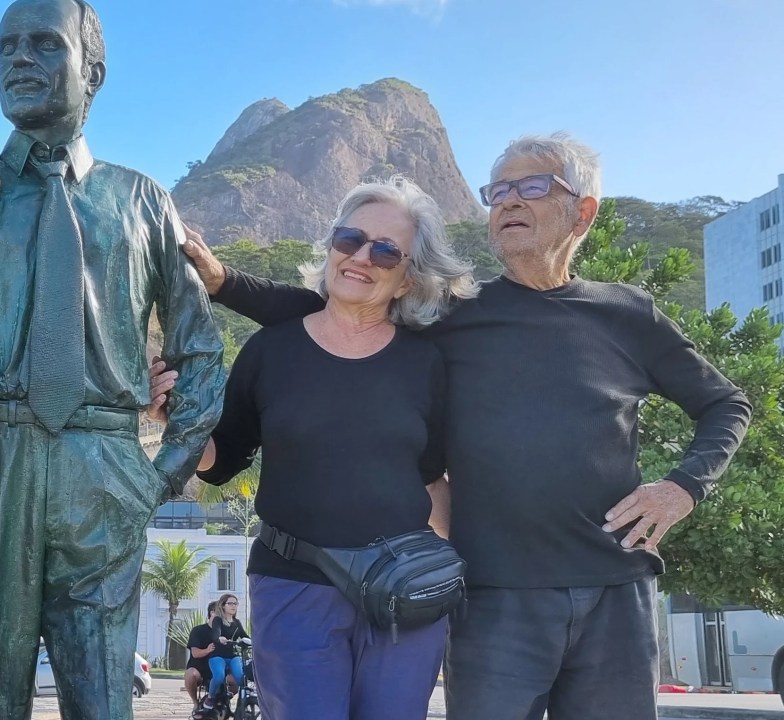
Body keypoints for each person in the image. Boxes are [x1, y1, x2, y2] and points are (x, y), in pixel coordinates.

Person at [178, 133, 752, 720]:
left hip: (615, 588)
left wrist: (682, 487)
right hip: (492, 596)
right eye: (498, 190)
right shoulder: (456, 317)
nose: (508, 202)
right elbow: (339, 310)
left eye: (532, 187)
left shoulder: (630, 314)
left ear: (583, 211)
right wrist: (225, 282)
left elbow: (726, 404)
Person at [0, 1, 225, 717]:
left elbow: (198, 348)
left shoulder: (143, 200)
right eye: (7, 47)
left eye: (43, 43)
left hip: (103, 467)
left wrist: (157, 478)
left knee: (101, 699)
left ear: (92, 70)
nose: (19, 59)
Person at [190, 178, 475, 720]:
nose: (362, 257)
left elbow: (432, 476)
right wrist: (178, 423)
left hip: (405, 589)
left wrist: (462, 569)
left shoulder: (428, 364)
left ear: (408, 278)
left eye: (387, 251)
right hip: (293, 584)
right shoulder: (270, 350)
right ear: (330, 246)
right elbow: (223, 460)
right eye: (350, 239)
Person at [201, 594, 250, 712]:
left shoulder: (237, 623)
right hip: (218, 656)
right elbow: (215, 635)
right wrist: (219, 638)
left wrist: (253, 642)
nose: (234, 606)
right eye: (230, 603)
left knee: (241, 678)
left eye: (235, 604)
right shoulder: (218, 620)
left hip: (233, 656)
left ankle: (244, 704)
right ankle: (210, 697)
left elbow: (244, 636)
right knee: (218, 677)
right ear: (223, 606)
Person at [184, 601, 223, 709]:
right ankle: (196, 703)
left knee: (235, 678)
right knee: (190, 674)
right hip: (200, 669)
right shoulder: (198, 630)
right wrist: (207, 650)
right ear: (212, 613)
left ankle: (228, 704)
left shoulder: (226, 631)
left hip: (219, 669)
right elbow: (195, 653)